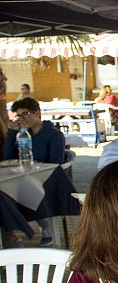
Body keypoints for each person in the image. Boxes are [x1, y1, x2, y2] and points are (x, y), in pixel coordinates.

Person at [3, 96, 66, 246]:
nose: (22, 118)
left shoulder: (54, 134)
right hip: (24, 177)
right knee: (4, 194)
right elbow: (8, 158)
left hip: (48, 180)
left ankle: (41, 229)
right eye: (19, 115)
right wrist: (12, 132)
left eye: (26, 113)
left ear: (37, 113)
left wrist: (35, 167)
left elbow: (56, 163)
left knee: (17, 191)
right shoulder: (24, 134)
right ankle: (10, 235)